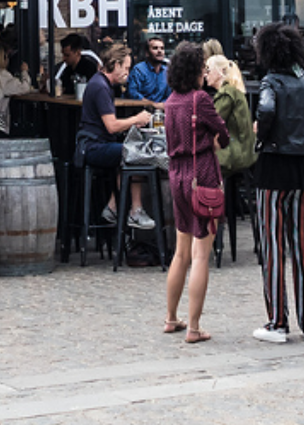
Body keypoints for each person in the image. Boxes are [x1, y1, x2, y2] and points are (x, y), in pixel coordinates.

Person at [251, 22, 304, 346]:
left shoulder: (270, 82)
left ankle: (278, 322)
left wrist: (262, 133)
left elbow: (266, 111)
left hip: (272, 169)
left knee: (273, 248)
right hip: (303, 170)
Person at [162, 42, 226, 344]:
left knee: (181, 251)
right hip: (202, 175)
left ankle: (171, 317)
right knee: (201, 254)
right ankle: (195, 327)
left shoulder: (171, 101)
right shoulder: (200, 99)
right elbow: (222, 133)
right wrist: (215, 139)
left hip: (176, 175)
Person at [75, 43, 154, 230]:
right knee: (136, 155)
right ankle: (135, 211)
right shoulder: (101, 87)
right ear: (116, 65)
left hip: (94, 144)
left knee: (127, 153)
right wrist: (136, 119)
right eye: (126, 67)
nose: (127, 72)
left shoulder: (101, 84)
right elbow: (111, 126)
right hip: (92, 147)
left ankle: (113, 206)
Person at [206, 54, 257, 178]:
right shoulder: (234, 90)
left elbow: (211, 123)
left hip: (233, 156)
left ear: (220, 72)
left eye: (208, 70)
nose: (205, 74)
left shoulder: (226, 94)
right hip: (245, 153)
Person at [126, 37, 170, 105]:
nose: (159, 51)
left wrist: (162, 104)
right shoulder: (139, 69)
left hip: (161, 110)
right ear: (147, 53)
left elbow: (169, 95)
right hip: (141, 108)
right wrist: (150, 104)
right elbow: (132, 92)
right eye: (155, 48)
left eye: (162, 48)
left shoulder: (167, 71)